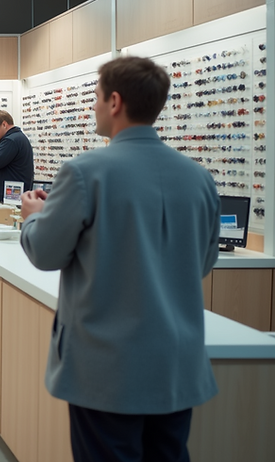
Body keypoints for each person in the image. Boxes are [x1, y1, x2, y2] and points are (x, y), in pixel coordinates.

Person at [19, 56, 219, 462]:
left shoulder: (84, 172)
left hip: (106, 369)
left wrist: (33, 220)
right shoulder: (198, 177)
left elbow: (45, 252)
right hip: (176, 366)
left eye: (94, 97)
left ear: (114, 101)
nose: (91, 106)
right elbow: (202, 262)